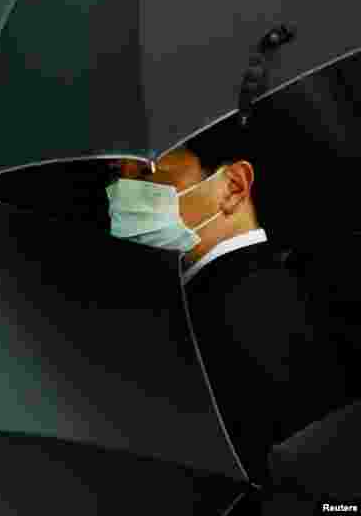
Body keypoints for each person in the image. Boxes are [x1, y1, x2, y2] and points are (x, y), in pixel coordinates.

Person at [103, 126, 358, 507]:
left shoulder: (229, 313)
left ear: (234, 187)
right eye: (116, 176)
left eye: (146, 173)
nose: (121, 194)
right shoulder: (284, 282)